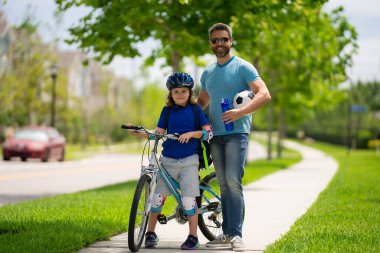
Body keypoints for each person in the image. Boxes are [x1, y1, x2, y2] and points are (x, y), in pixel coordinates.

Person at [197, 23, 271, 251]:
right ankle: (226, 234)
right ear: (210, 43)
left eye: (223, 39)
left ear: (231, 41)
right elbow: (201, 103)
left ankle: (236, 235)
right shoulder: (208, 73)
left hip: (237, 134)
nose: (219, 44)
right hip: (215, 136)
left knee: (232, 182)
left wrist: (240, 112)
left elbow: (264, 94)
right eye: (215, 40)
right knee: (223, 185)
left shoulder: (243, 67)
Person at [129, 72, 212, 250]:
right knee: (157, 198)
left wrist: (192, 134)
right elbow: (159, 131)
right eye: (176, 92)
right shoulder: (167, 110)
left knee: (189, 200)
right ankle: (150, 233)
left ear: (190, 93)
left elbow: (207, 132)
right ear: (170, 94)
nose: (180, 94)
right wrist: (142, 133)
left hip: (189, 160)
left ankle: (193, 236)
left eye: (183, 91)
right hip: (167, 160)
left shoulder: (196, 109)